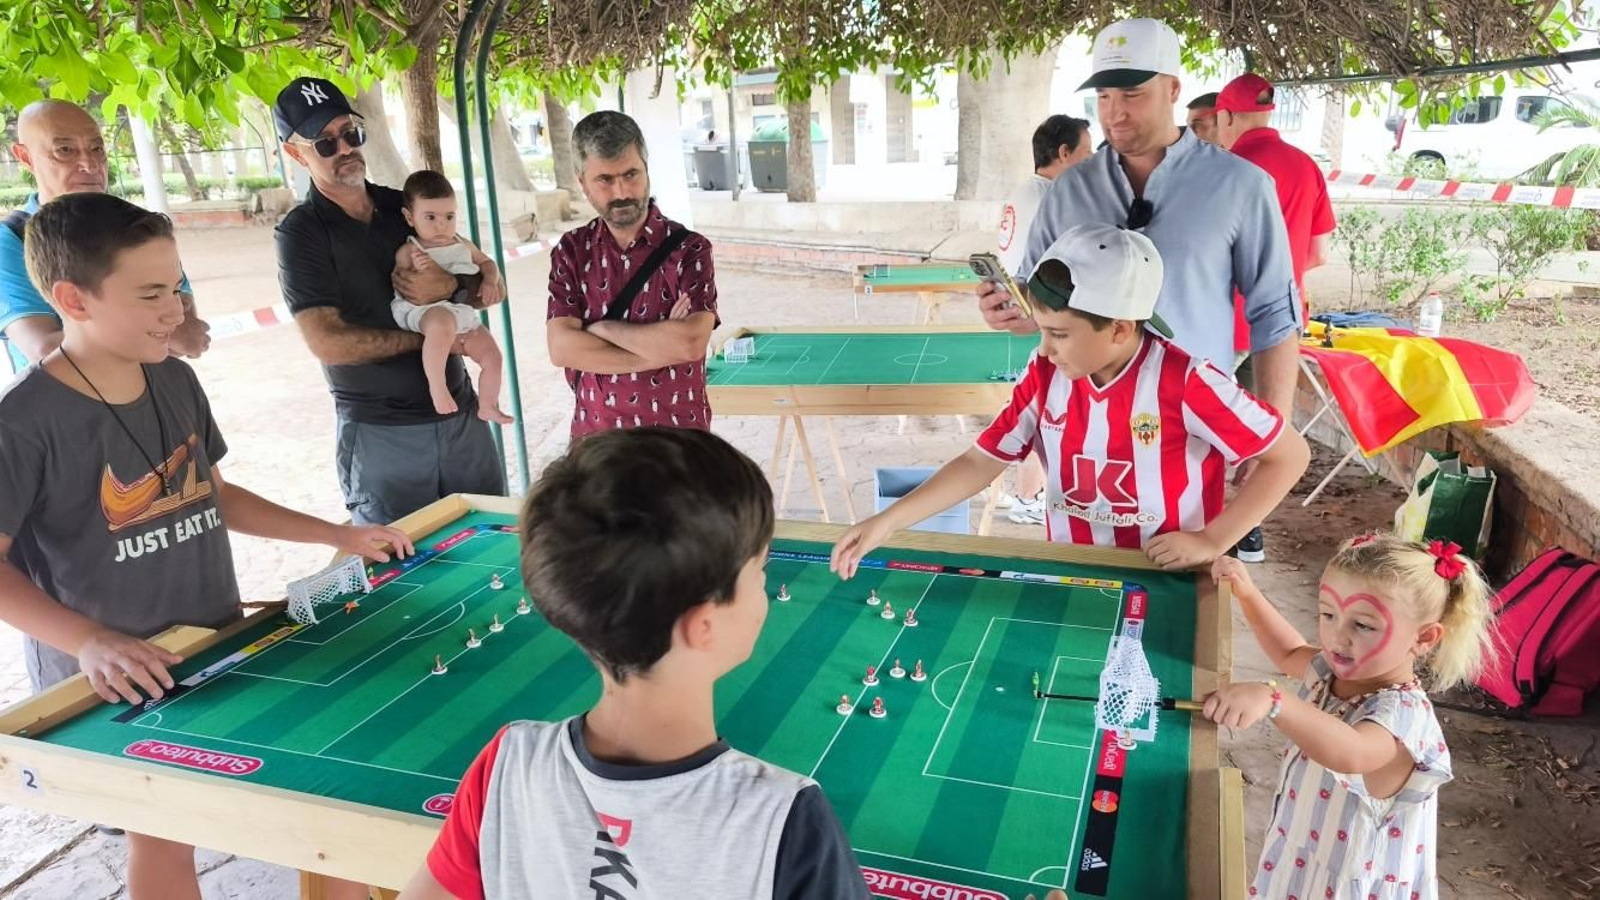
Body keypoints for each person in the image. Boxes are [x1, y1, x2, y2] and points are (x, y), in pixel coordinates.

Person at [0, 192, 412, 900]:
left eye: (180, 286)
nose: (176, 310)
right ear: (75, 297)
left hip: (211, 641)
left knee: (324, 796)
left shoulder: (176, 377)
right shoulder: (26, 420)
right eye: (153, 293)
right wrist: (92, 641)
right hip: (116, 677)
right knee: (162, 833)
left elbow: (211, 492)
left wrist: (338, 534)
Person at [399, 428, 868, 899]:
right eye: (759, 570)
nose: (764, 588)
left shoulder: (506, 764)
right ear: (702, 624)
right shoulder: (787, 820)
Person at [830, 225, 1309, 577]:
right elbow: (981, 461)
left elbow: (1289, 455)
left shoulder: (1186, 381)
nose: (1043, 348)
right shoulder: (1045, 374)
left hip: (1169, 578)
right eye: (1041, 331)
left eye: (1059, 334)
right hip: (1072, 570)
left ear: (1120, 328)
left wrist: (1212, 539)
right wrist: (888, 522)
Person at [979, 18, 1301, 436]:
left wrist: (1272, 431)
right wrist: (1011, 311)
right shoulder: (1069, 189)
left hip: (1193, 425)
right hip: (1085, 426)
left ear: (1172, 89)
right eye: (1104, 96)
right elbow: (1035, 295)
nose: (1114, 113)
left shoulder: (1241, 185)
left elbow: (1274, 311)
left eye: (1132, 94)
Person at [1204, 534, 1497, 900]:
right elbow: (1289, 651)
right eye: (1328, 614)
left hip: (1350, 885)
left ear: (1423, 638)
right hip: (1300, 863)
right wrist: (1247, 593)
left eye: (1363, 625)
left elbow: (1353, 752)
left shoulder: (1404, 714)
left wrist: (1275, 699)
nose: (1337, 637)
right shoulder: (1336, 675)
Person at [273, 77, 506, 524]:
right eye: (325, 143)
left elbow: (488, 287)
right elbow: (328, 343)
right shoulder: (300, 234)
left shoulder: (405, 206)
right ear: (295, 153)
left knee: (491, 547)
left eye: (351, 133)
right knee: (402, 579)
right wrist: (434, 340)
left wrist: (448, 289)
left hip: (462, 419)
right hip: (383, 434)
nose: (345, 148)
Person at [2, 99, 210, 374]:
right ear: (26, 157)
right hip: (69, 413)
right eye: (65, 150)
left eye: (96, 148)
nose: (89, 164)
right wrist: (154, 332)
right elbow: (43, 349)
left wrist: (84, 338)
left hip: (154, 401)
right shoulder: (11, 241)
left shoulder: (138, 227)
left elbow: (189, 335)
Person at [546, 111, 718, 438]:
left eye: (631, 174)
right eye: (605, 180)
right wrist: (659, 347)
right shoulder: (571, 251)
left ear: (647, 170)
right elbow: (562, 349)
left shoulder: (690, 250)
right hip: (597, 450)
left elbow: (691, 344)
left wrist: (602, 329)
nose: (622, 191)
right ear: (582, 182)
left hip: (679, 449)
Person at [997, 114, 1092, 526]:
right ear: (1065, 153)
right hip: (1040, 315)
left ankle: (1026, 494)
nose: (1092, 166)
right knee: (1047, 413)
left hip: (1022, 309)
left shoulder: (1025, 190)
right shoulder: (1054, 199)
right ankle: (1027, 497)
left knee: (1038, 407)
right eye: (1086, 155)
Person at [391, 170, 512, 424]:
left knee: (493, 355)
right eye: (430, 217)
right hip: (424, 312)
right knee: (441, 323)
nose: (441, 225)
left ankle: (488, 404)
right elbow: (402, 281)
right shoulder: (411, 249)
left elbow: (487, 262)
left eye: (449, 216)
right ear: (409, 217)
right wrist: (416, 267)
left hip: (460, 314)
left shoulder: (462, 243)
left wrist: (490, 280)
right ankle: (438, 387)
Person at [1215, 72, 1335, 327]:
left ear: (1226, 116)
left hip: (1230, 322)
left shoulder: (1223, 169)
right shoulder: (1306, 165)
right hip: (1286, 317)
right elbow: (1320, 254)